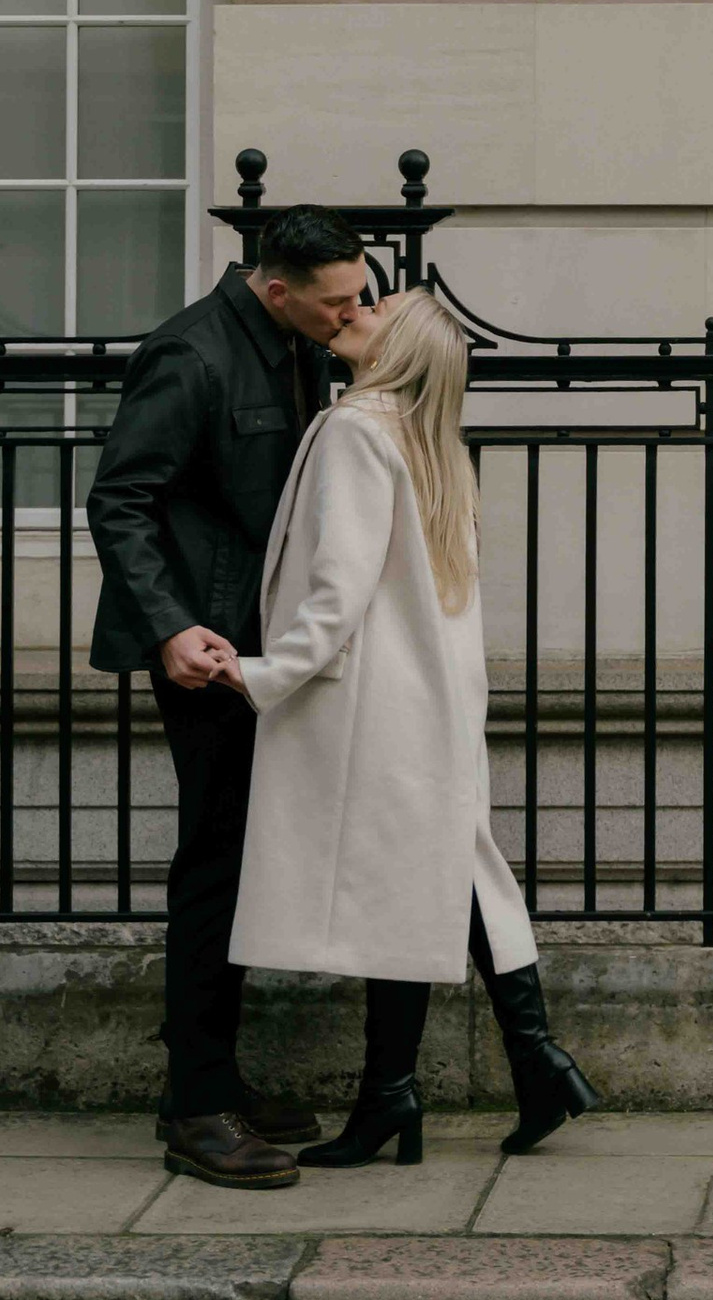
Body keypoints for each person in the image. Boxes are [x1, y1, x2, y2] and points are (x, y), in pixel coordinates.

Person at [223, 282, 597, 1169]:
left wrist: (259, 674)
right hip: (436, 697)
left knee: (415, 886)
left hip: (374, 706)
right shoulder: (433, 445)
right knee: (438, 882)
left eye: (375, 312)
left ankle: (431, 1089)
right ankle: (493, 1073)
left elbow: (336, 590)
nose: (356, 310)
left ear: (399, 351)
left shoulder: (357, 430)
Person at [85, 205, 372, 1189]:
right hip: (206, 648)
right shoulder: (193, 355)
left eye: (358, 295)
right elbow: (120, 497)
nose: (353, 314)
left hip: (267, 645)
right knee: (215, 861)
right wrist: (169, 629)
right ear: (277, 285)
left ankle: (217, 1079)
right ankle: (195, 1108)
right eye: (337, 301)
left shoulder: (300, 343)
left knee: (247, 859)